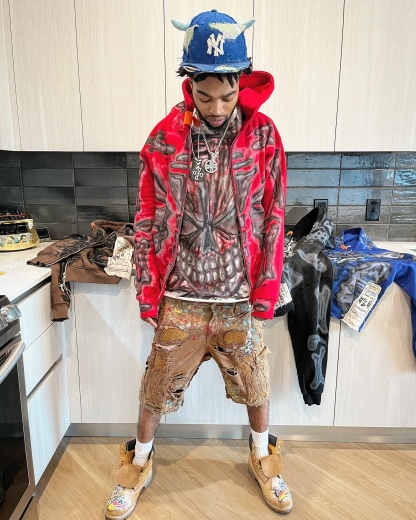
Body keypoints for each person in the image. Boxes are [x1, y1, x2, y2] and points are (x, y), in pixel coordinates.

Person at [105, 9, 291, 519]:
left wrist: (266, 289)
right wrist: (147, 290)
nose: (217, 107)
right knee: (155, 389)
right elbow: (146, 216)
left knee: (256, 383)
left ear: (241, 81)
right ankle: (139, 463)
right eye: (205, 96)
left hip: (238, 297)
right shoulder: (164, 138)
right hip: (180, 295)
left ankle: (263, 456)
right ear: (188, 82)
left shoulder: (263, 136)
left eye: (227, 96)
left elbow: (274, 214)